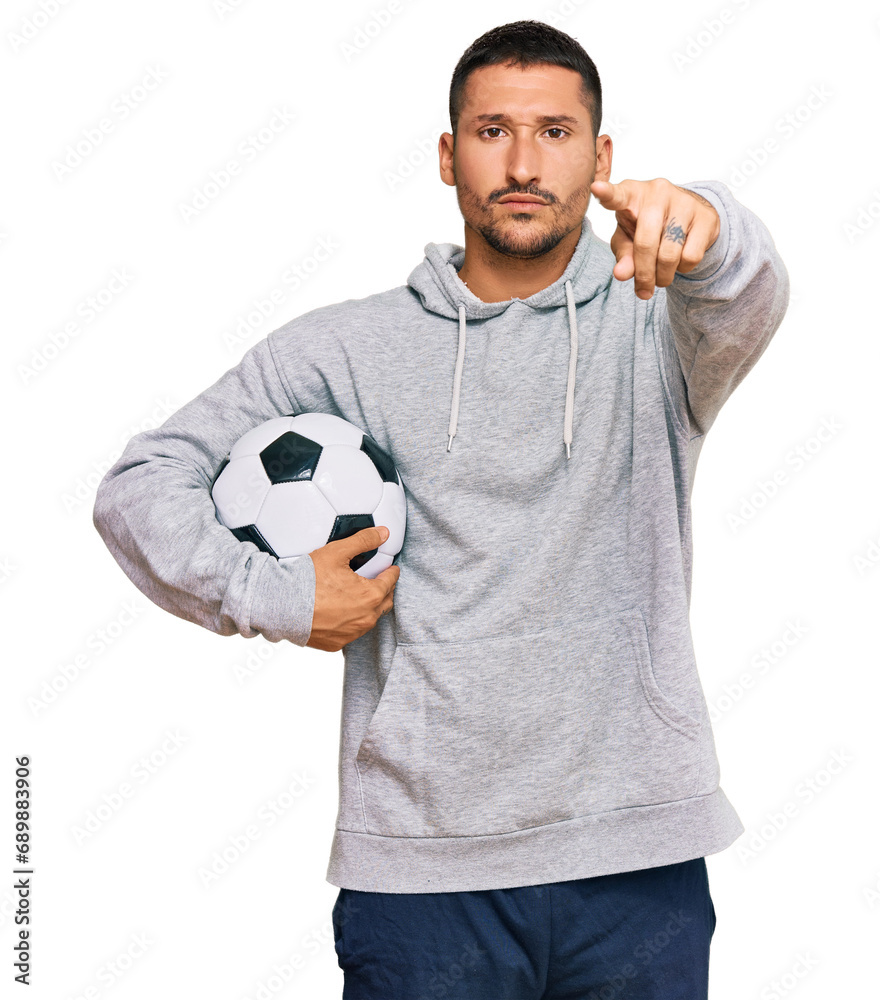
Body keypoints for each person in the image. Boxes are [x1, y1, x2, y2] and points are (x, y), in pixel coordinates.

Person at [92, 19, 789, 1000]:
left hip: (638, 858)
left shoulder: (657, 332)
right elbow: (141, 485)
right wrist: (273, 592)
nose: (520, 160)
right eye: (490, 130)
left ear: (601, 158)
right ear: (445, 154)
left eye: (554, 132)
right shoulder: (341, 349)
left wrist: (708, 220)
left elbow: (745, 292)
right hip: (421, 878)